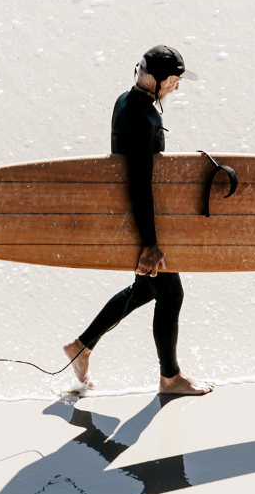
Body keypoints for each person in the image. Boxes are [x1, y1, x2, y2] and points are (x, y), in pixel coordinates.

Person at [64, 45, 213, 397]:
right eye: (174, 80)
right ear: (158, 80)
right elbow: (139, 183)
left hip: (129, 215)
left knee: (147, 289)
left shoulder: (126, 102)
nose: (177, 87)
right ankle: (170, 379)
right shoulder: (144, 119)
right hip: (140, 219)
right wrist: (150, 243)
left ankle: (83, 346)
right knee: (171, 295)